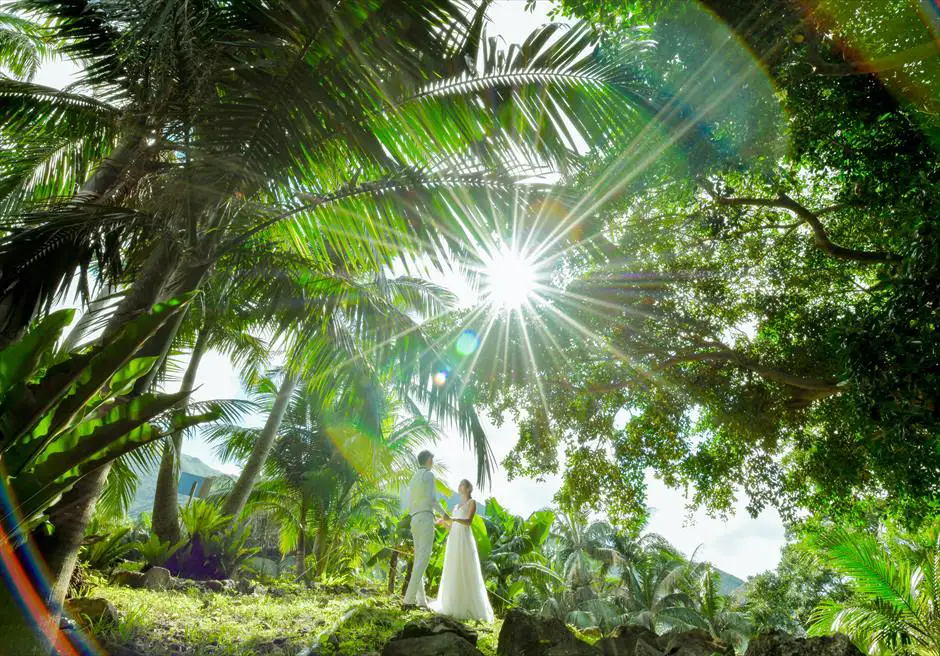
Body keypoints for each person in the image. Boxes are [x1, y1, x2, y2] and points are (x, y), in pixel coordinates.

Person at [430, 479, 494, 621]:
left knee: (465, 568)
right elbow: (451, 527)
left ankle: (468, 605)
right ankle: (452, 603)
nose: (460, 487)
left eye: (463, 485)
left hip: (464, 539)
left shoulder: (472, 503)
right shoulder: (456, 506)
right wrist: (444, 523)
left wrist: (452, 518)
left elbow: (468, 522)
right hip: (454, 540)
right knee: (453, 568)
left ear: (468, 488)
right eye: (459, 484)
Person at [403, 450, 448, 609]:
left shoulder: (414, 478)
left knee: (419, 560)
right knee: (423, 559)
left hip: (414, 518)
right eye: (432, 459)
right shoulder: (428, 475)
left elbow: (410, 502)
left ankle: (421, 601)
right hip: (425, 518)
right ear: (429, 460)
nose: (433, 462)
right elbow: (432, 500)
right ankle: (408, 601)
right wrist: (444, 514)